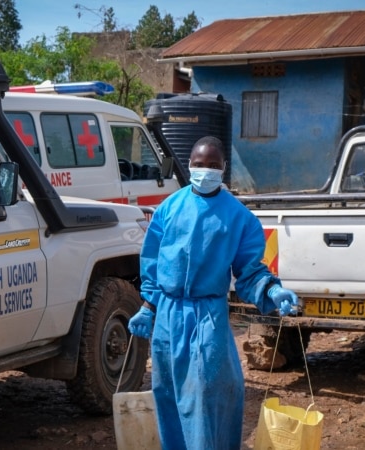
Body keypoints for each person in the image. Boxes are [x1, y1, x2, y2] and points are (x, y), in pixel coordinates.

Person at [128, 136, 300, 450]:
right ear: (189, 165)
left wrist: (271, 289)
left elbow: (249, 270)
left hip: (207, 316)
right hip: (167, 314)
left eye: (212, 165)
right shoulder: (170, 207)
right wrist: (148, 305)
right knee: (168, 392)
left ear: (223, 169)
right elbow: (152, 258)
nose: (204, 170)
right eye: (198, 164)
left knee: (208, 393)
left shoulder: (238, 217)